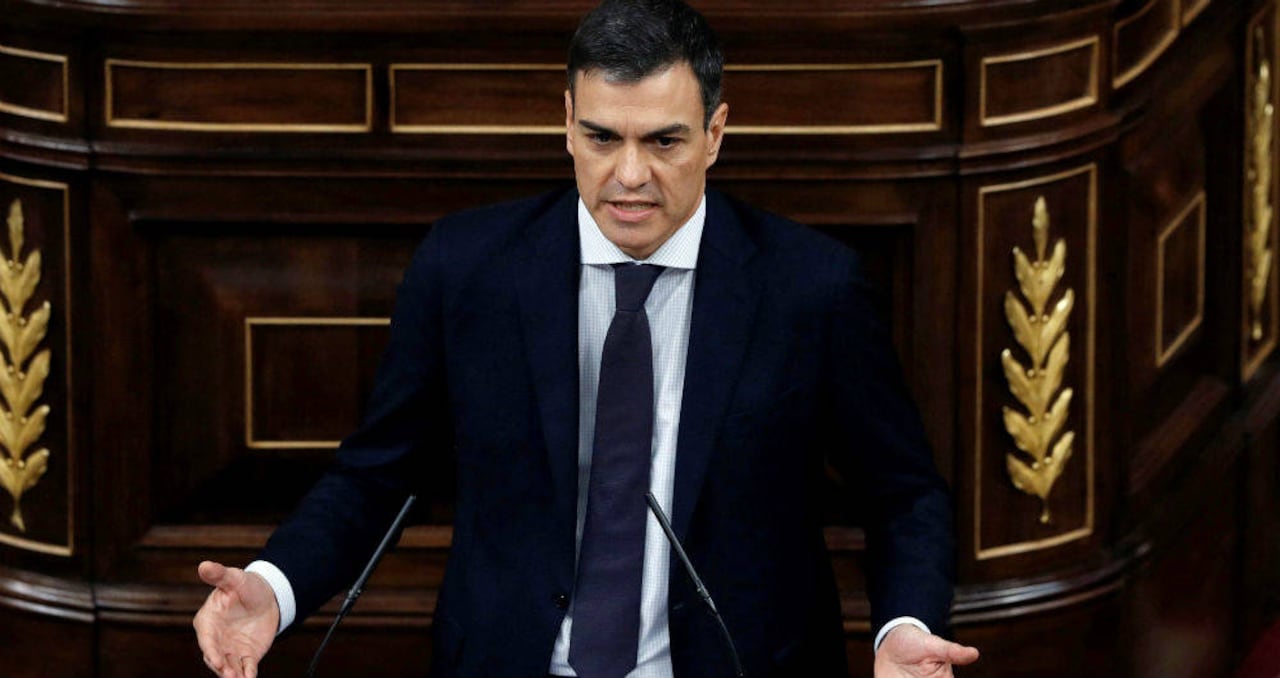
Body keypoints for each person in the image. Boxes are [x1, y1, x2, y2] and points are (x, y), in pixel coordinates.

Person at [193, 1, 981, 677]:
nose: (629, 175)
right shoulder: (467, 269)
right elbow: (376, 475)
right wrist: (276, 585)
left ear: (715, 133)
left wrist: (903, 625)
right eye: (603, 138)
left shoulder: (812, 288)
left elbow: (903, 493)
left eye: (664, 142)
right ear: (566, 123)